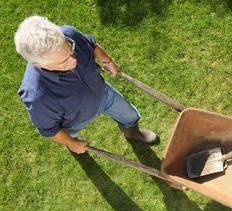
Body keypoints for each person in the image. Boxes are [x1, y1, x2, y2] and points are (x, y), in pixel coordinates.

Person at [15, 16, 158, 154]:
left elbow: (91, 45)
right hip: (75, 120)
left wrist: (108, 60)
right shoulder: (37, 96)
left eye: (70, 49)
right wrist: (72, 143)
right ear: (38, 64)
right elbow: (49, 130)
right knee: (73, 136)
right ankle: (74, 141)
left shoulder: (69, 34)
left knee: (130, 116)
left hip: (104, 94)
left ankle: (134, 134)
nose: (73, 61)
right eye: (63, 62)